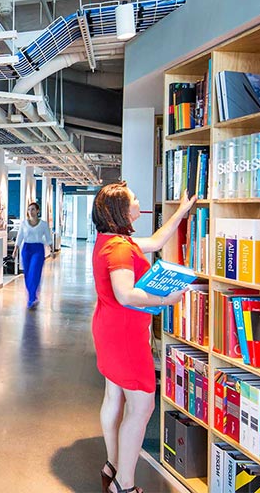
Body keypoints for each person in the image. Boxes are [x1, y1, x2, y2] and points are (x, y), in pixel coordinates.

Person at [92, 182, 195, 493]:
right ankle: (124, 485)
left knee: (114, 397)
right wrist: (166, 300)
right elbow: (126, 295)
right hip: (124, 335)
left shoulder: (112, 240)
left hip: (108, 328)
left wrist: (180, 213)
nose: (139, 201)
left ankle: (112, 466)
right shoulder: (121, 248)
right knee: (142, 407)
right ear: (122, 210)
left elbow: (154, 241)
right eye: (134, 199)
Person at [14, 201, 52, 310]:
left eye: (33, 209)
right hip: (26, 249)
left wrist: (52, 250)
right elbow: (20, 236)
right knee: (27, 273)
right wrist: (15, 249)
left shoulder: (43, 224)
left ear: (38, 211)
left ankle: (31, 298)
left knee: (34, 272)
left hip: (38, 249)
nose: (31, 211)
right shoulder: (24, 223)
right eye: (29, 209)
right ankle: (32, 295)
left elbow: (48, 237)